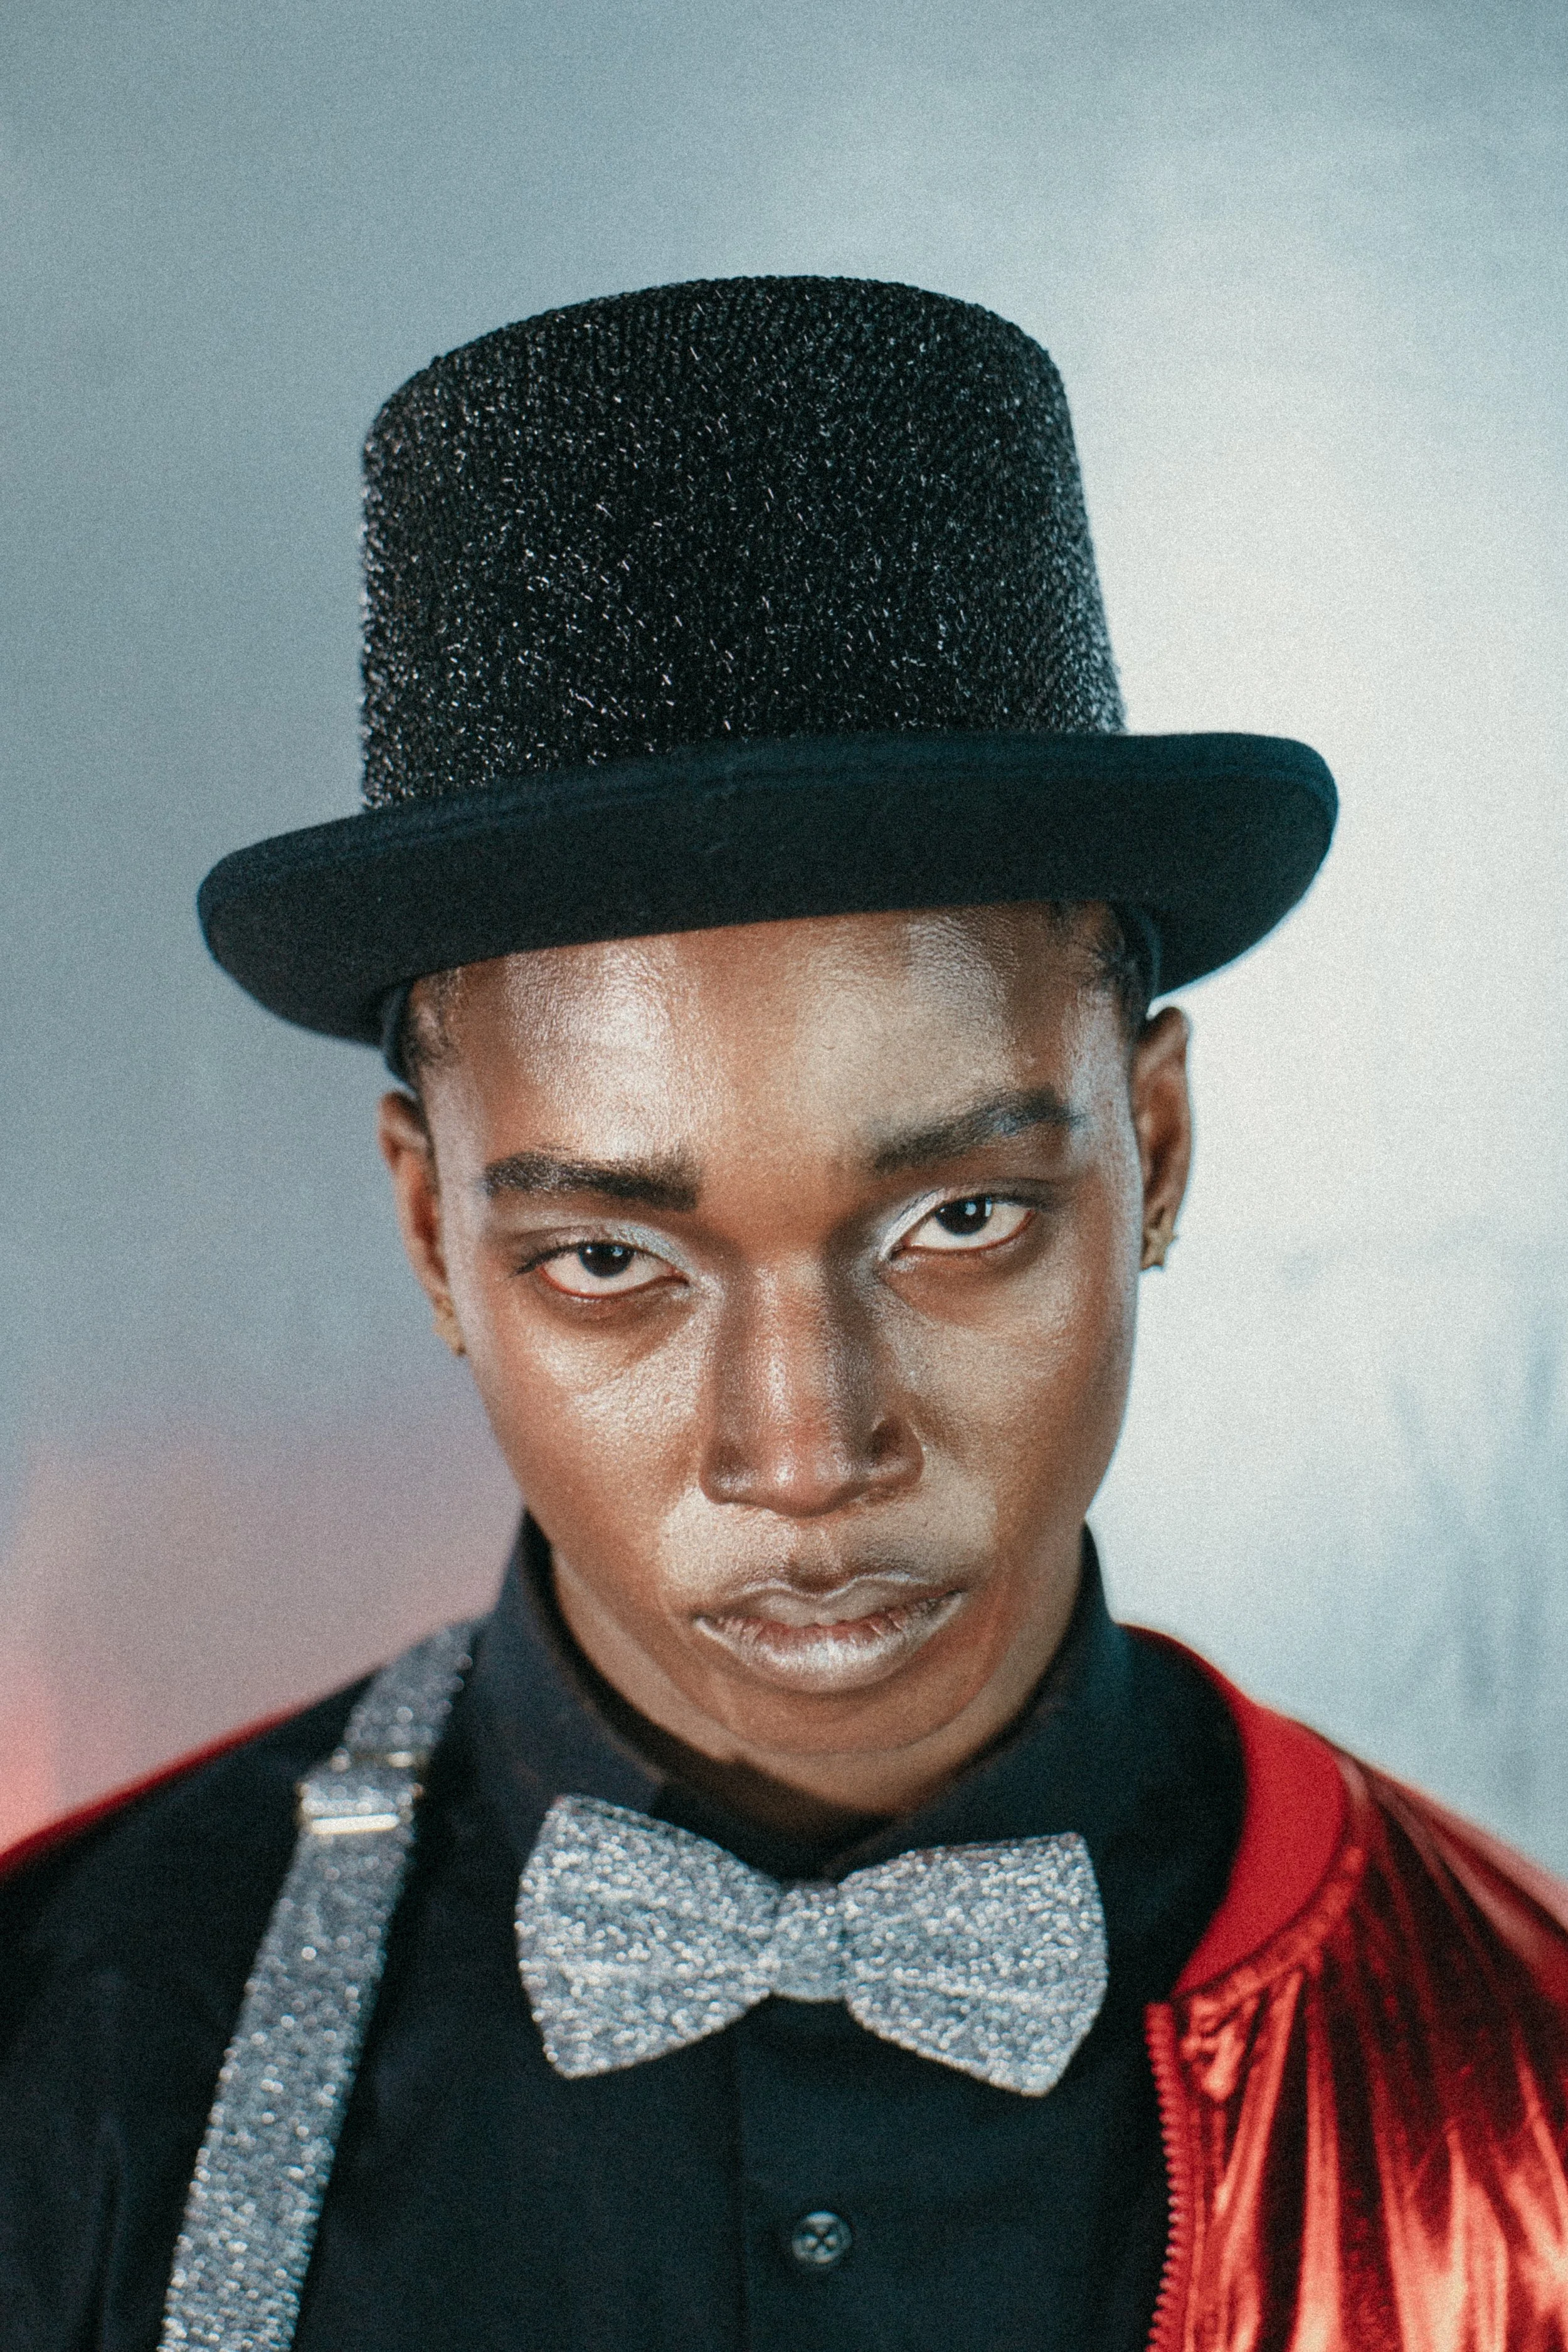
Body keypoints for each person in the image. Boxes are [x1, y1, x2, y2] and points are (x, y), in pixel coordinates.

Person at [2, 275, 1564, 2352]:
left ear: (1158, 1146)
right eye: (610, 1262)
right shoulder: (63, 2047)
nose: (806, 1445)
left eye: (960, 1216)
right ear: (428, 1230)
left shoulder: (1519, 2104)